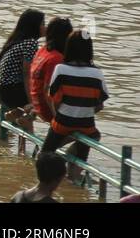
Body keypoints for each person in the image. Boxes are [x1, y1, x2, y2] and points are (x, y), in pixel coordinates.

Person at [44, 29, 108, 171]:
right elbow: (99, 106)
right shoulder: (97, 73)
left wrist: (60, 114)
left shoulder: (60, 69)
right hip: (86, 125)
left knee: (45, 154)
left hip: (62, 123)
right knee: (94, 136)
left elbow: (54, 99)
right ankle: (75, 174)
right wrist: (82, 111)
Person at [0, 9, 45, 134]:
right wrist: (31, 101)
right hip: (11, 90)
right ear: (34, 27)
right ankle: (30, 137)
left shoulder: (17, 42)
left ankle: (9, 116)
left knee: (31, 101)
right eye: (42, 24)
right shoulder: (31, 43)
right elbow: (27, 74)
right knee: (39, 99)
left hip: (1, 88)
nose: (45, 27)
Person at [29, 17, 73, 124]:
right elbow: (47, 91)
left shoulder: (42, 50)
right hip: (45, 108)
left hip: (36, 102)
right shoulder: (56, 58)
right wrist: (57, 118)